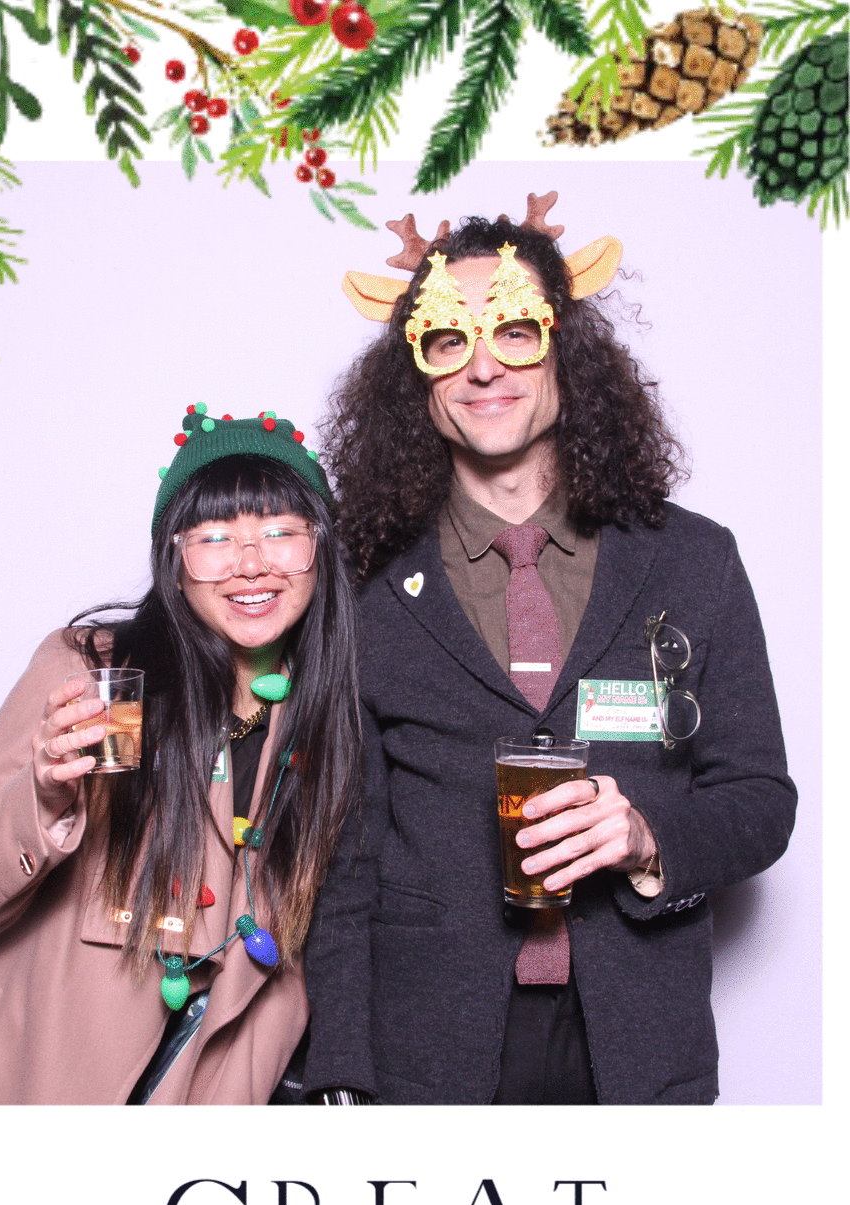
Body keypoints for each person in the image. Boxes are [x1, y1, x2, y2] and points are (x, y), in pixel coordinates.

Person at [300, 203, 797, 1106]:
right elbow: (343, 860)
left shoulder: (693, 559)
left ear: (565, 349)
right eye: (447, 341)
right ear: (416, 377)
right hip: (428, 1058)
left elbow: (760, 799)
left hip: (641, 1047)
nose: (484, 366)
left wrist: (648, 838)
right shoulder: (364, 584)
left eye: (515, 332)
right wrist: (340, 1070)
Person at [0, 406, 360, 1105]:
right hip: (21, 1081)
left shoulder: (335, 716)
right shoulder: (101, 679)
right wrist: (43, 799)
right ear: (175, 560)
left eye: (282, 532)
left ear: (320, 548)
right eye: (214, 537)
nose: (251, 563)